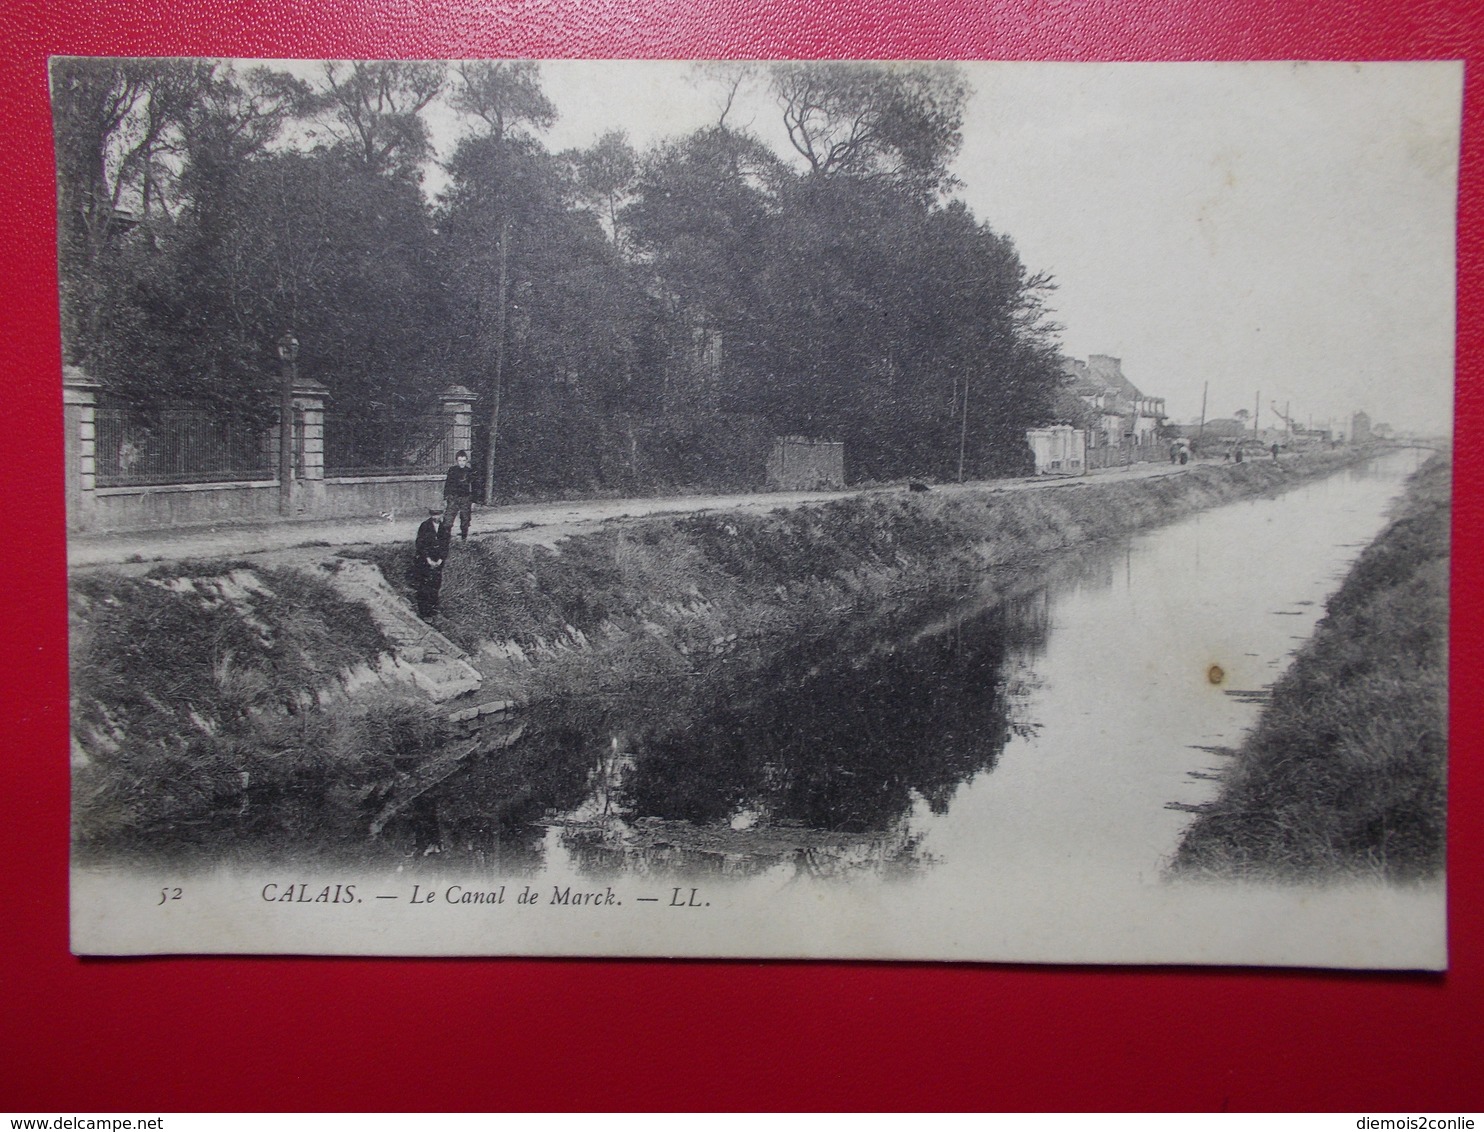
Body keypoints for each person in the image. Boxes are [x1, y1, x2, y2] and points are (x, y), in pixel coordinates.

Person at [411, 508, 448, 619]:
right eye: (433, 515)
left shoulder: (444, 527)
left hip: (438, 562)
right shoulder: (425, 526)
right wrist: (428, 559)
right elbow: (420, 544)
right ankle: (424, 612)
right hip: (425, 561)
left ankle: (433, 611)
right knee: (425, 586)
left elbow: (445, 545)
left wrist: (441, 559)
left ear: (442, 514)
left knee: (435, 585)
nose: (436, 517)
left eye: (438, 515)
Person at [442, 449, 475, 542]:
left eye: (464, 460)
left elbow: (473, 487)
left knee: (465, 520)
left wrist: (473, 501)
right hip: (453, 498)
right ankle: (446, 541)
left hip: (465, 498)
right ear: (457, 461)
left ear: (466, 460)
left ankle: (464, 540)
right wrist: (445, 498)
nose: (462, 463)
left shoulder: (469, 471)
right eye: (460, 460)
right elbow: (448, 484)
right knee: (448, 520)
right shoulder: (452, 470)